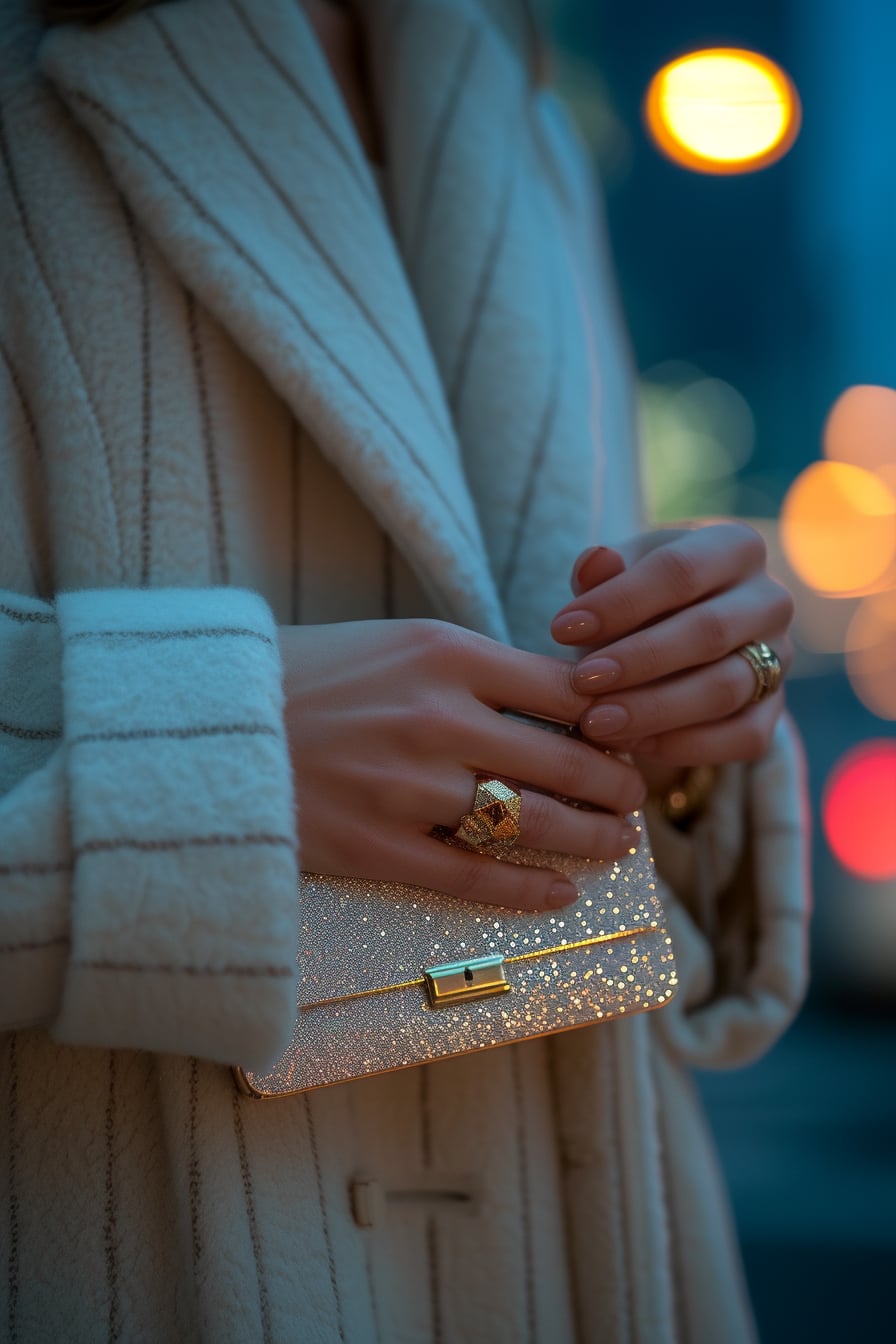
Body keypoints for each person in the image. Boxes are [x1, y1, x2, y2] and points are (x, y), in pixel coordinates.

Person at [0, 0, 809, 1339]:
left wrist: (694, 716)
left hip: (592, 1247)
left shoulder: (516, 111)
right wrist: (213, 748)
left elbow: (556, 658)